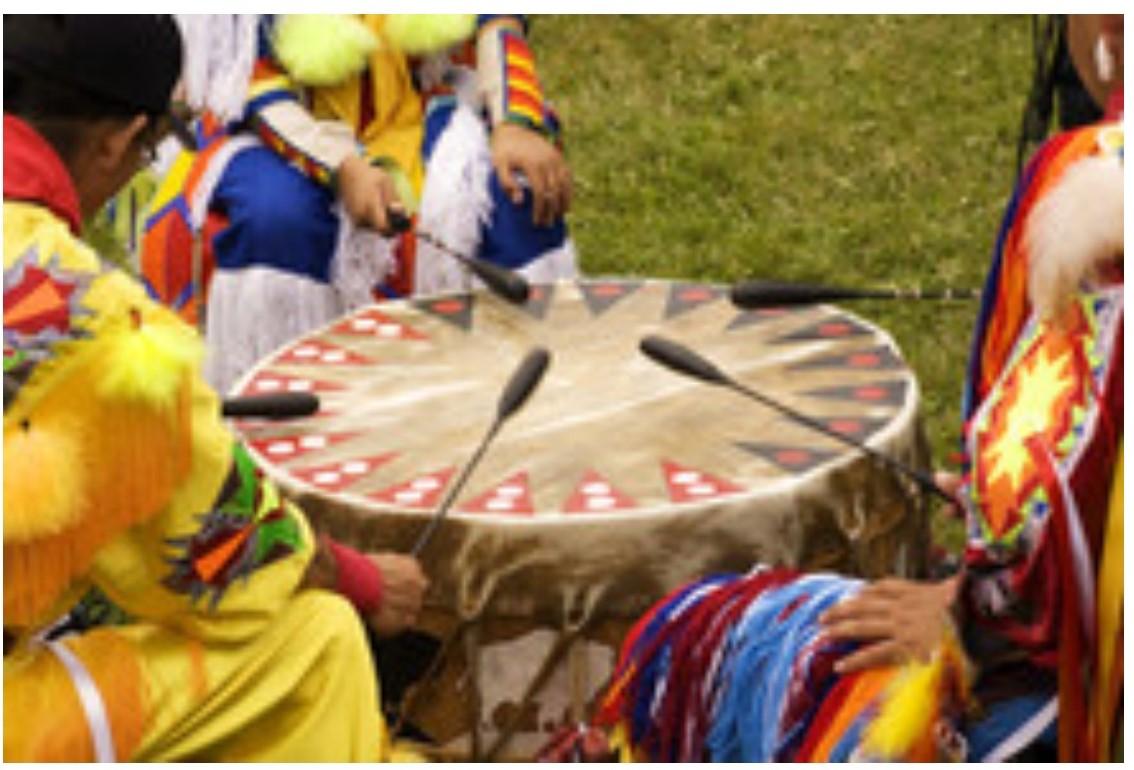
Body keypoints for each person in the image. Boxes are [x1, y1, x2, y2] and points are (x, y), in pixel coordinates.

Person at [585, 13, 1122, 763]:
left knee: (693, 643)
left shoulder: (1102, 190)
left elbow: (1060, 484)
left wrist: (966, 609)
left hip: (1074, 689)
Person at [3, 15, 427, 761]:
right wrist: (359, 579)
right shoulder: (78, 316)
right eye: (145, 150)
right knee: (314, 640)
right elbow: (218, 549)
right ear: (115, 138)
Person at [140, 14, 575, 394]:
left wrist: (515, 123)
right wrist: (341, 167)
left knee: (514, 193)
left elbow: (496, 21)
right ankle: (274, 422)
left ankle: (520, 413)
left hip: (422, 96)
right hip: (268, 118)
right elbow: (248, 78)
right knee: (278, 218)